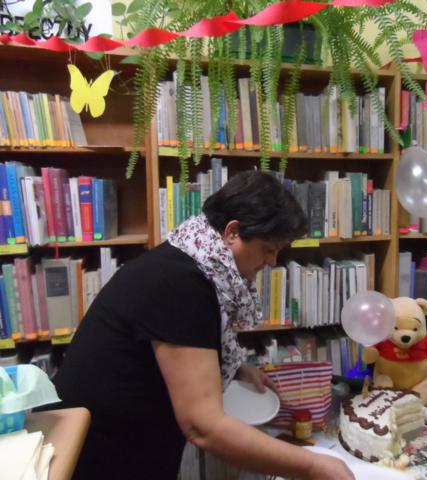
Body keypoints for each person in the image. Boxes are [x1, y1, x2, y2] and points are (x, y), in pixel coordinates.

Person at [51, 171, 354, 480]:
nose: (272, 262)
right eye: (268, 248)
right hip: (100, 458)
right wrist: (313, 466)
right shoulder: (181, 285)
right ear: (232, 232)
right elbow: (203, 427)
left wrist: (236, 368)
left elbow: (175, 347)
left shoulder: (187, 257)